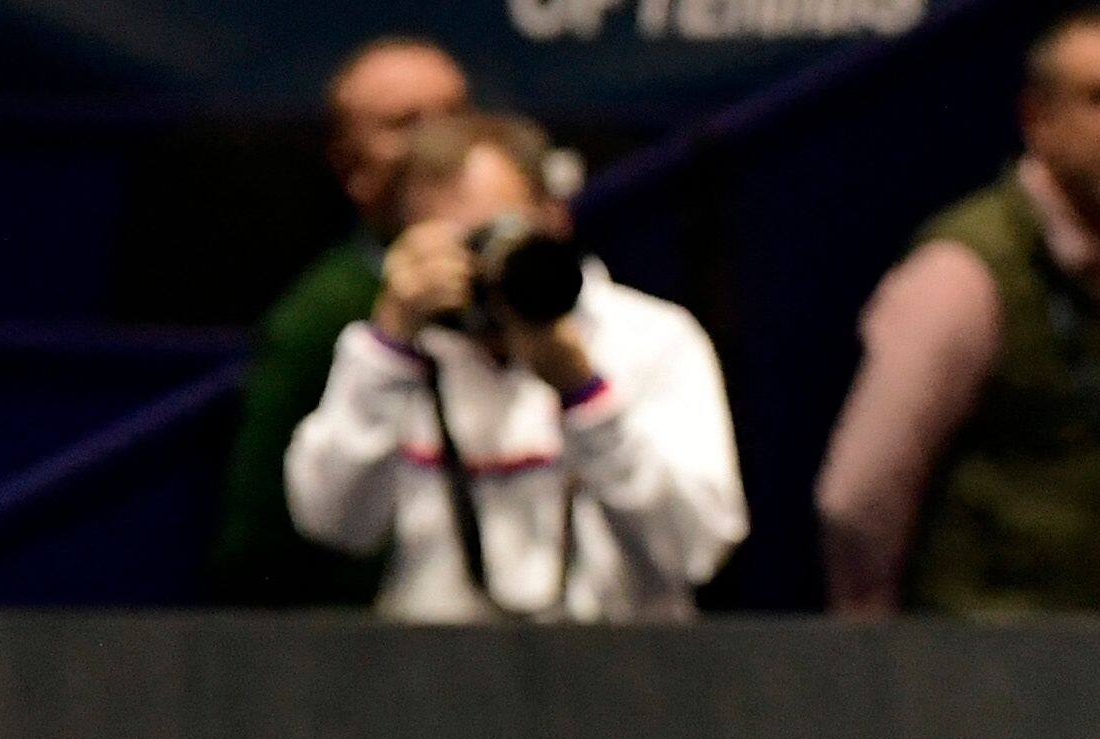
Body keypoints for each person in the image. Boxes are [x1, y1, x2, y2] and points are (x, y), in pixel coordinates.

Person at [816, 6, 1100, 616]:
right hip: (980, 665)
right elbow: (858, 499)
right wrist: (877, 667)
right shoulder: (964, 273)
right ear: (1039, 119)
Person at [283, 112, 746, 623]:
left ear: (553, 217)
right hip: (436, 678)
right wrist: (389, 345)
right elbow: (332, 523)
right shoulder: (395, 359)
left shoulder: (649, 339)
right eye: (452, 247)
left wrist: (584, 394)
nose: (479, 268)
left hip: (621, 673)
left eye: (494, 238)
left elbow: (696, 550)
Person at [211, 35, 469, 607]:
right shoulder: (322, 314)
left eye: (453, 116)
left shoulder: (538, 299)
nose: (438, 145)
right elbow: (262, 539)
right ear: (348, 161)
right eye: (404, 124)